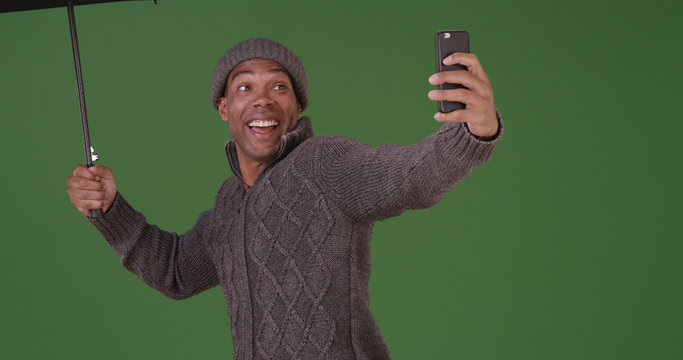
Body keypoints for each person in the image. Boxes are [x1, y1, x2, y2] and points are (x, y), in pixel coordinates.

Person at [65, 38, 502, 359]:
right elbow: (176, 271)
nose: (262, 101)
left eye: (278, 88)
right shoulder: (228, 204)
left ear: (295, 108)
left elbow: (406, 178)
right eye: (244, 89)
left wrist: (471, 131)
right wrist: (110, 209)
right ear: (223, 109)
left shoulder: (324, 163)